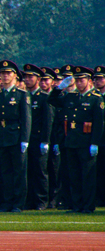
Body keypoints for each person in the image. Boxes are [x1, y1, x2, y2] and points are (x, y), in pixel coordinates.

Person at [47, 66, 103, 213]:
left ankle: (88, 206)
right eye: (77, 80)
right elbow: (52, 100)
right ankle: (76, 205)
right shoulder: (71, 96)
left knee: (88, 176)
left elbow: (98, 124)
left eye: (82, 80)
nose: (79, 83)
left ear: (89, 81)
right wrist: (59, 88)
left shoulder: (96, 99)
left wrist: (95, 143)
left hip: (86, 142)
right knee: (74, 176)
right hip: (71, 141)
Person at [0, 60, 31, 213]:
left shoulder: (21, 95)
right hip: (2, 136)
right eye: (2, 73)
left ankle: (18, 203)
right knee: (5, 172)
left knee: (19, 172)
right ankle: (7, 201)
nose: (5, 76)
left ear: (15, 76)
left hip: (16, 136)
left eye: (8, 73)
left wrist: (24, 139)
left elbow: (26, 118)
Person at [23, 64, 53, 210]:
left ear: (38, 79)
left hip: (38, 138)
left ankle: (41, 201)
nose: (27, 79)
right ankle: (29, 200)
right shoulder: (23, 96)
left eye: (31, 77)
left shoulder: (44, 97)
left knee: (40, 171)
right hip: (25, 139)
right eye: (26, 77)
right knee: (26, 171)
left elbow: (48, 121)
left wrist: (45, 141)